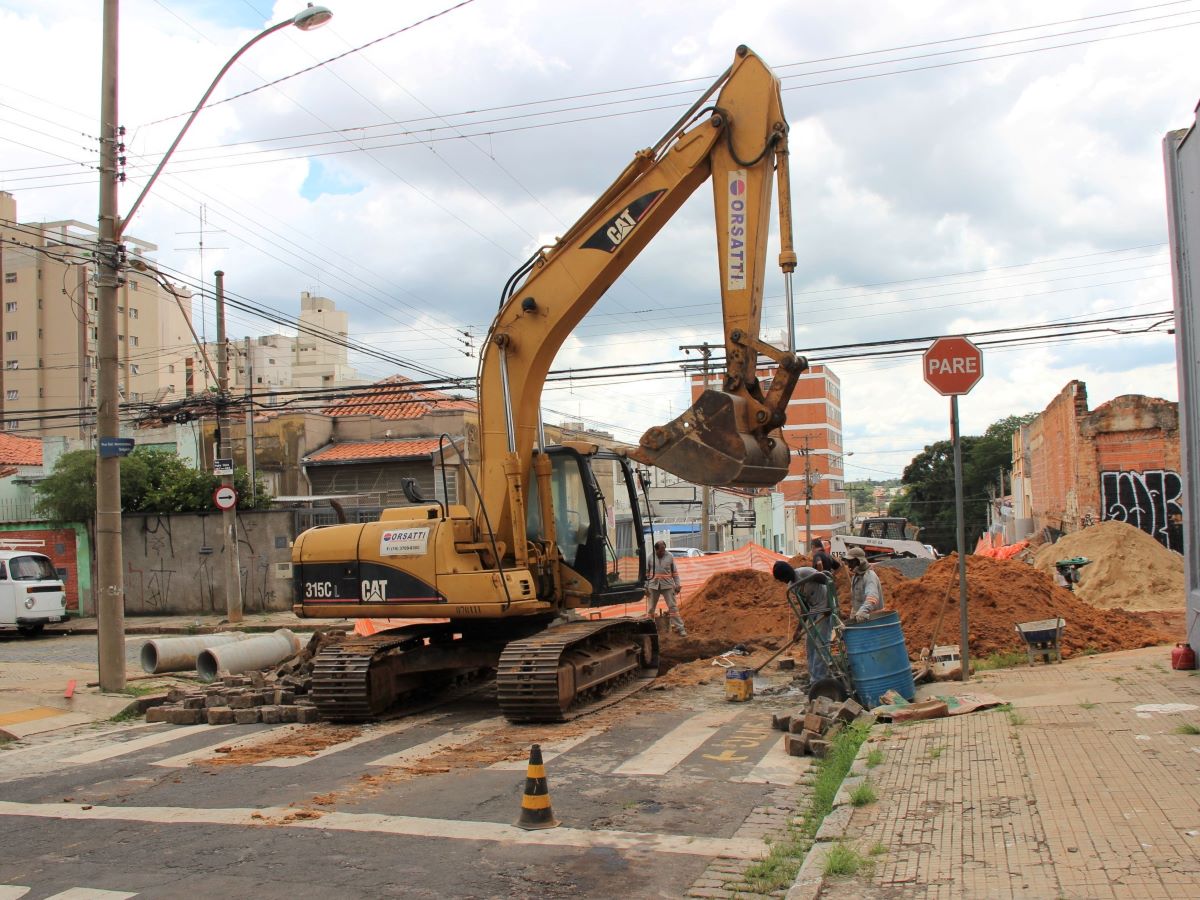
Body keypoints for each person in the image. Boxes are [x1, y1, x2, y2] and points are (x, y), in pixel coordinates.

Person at [772, 560, 834, 683]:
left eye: (782, 578)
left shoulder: (805, 573)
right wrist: (798, 630)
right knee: (810, 645)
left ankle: (819, 680)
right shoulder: (792, 586)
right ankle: (813, 677)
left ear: (787, 573)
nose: (783, 581)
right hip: (813, 611)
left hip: (825, 608)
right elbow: (804, 607)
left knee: (821, 644)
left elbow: (828, 582)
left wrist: (829, 605)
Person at [647, 541, 686, 635]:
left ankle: (680, 629)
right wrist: (645, 587)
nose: (663, 552)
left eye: (664, 550)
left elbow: (675, 573)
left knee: (673, 608)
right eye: (660, 551)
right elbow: (646, 573)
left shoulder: (670, 556)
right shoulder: (650, 557)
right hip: (653, 586)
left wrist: (677, 584)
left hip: (668, 586)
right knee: (651, 609)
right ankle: (649, 629)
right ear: (656, 549)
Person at [844, 546, 884, 622]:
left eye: (851, 562)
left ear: (860, 561)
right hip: (862, 620)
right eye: (848, 562)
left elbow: (872, 598)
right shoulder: (856, 577)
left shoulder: (869, 576)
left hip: (874, 621)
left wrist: (862, 612)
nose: (849, 566)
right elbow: (856, 601)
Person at [810, 538, 842, 616]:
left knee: (822, 609)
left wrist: (821, 575)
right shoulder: (828, 555)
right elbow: (839, 566)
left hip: (821, 586)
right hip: (829, 584)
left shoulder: (817, 555)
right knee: (831, 606)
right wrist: (832, 575)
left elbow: (819, 563)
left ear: (813, 546)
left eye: (811, 548)